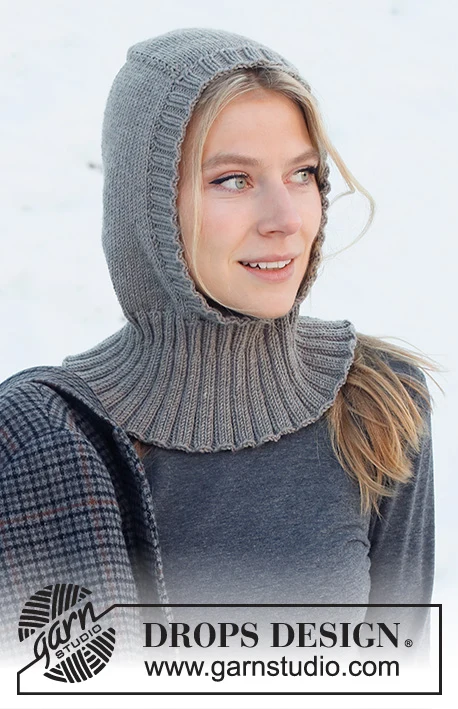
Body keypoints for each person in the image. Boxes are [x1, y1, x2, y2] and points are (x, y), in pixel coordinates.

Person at [0, 28, 442, 664]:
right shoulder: (42, 438)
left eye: (303, 174)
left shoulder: (378, 401)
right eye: (233, 180)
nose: (286, 219)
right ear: (146, 207)